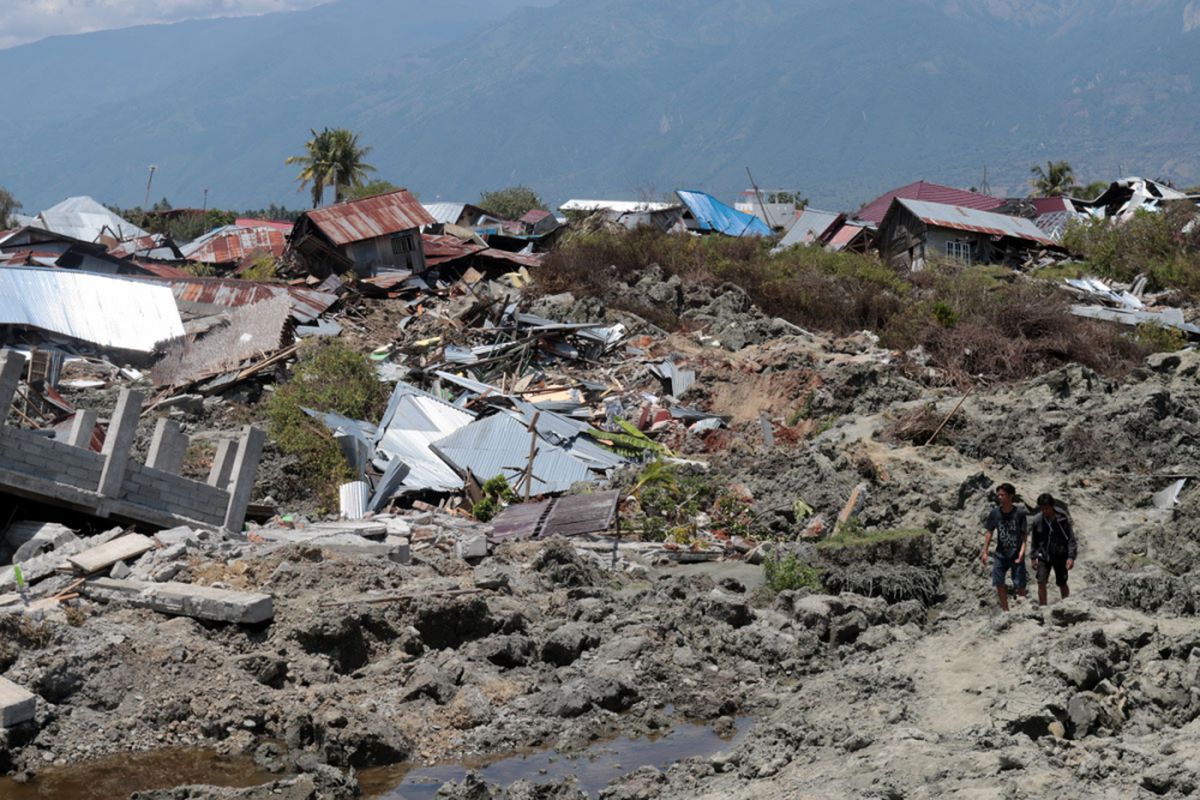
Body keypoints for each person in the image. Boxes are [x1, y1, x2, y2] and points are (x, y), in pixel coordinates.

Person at [980, 483, 1028, 611]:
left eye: (1002, 495)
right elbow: (989, 532)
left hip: (1016, 553)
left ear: (1010, 496)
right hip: (1000, 554)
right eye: (998, 495)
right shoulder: (995, 513)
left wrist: (1022, 552)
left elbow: (1024, 536)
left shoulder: (1019, 513)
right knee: (998, 581)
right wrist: (985, 551)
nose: (999, 497)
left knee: (1020, 583)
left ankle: (1023, 610)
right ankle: (1006, 610)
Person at [1030, 492, 1077, 605]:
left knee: (1062, 582)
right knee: (1041, 581)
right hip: (1043, 555)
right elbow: (1034, 540)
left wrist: (1071, 557)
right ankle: (1043, 607)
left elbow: (1070, 539)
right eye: (1042, 508)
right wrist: (1033, 557)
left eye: (1047, 508)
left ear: (1052, 506)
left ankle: (1066, 604)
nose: (1044, 511)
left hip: (1060, 555)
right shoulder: (1037, 521)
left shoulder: (1062, 519)